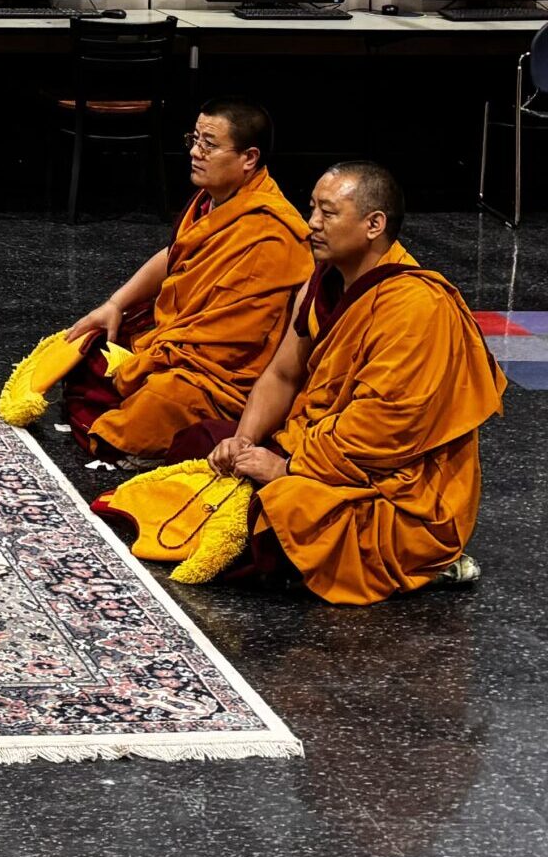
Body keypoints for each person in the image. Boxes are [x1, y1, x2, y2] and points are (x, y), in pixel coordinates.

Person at [202, 162, 502, 604]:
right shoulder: (320, 284)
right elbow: (282, 374)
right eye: (312, 210)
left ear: (373, 224)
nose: (312, 225)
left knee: (274, 519)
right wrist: (244, 441)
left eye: (328, 213)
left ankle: (429, 565)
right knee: (208, 451)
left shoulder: (417, 307)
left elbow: (384, 430)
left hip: (399, 488)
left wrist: (286, 468)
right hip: (323, 450)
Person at [57, 101, 311, 461]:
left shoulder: (272, 233)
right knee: (89, 347)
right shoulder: (213, 200)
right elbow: (175, 254)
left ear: (249, 158)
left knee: (155, 404)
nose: (194, 151)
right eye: (195, 138)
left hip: (221, 373)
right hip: (177, 339)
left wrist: (160, 356)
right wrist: (114, 304)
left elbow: (233, 343)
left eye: (209, 144)